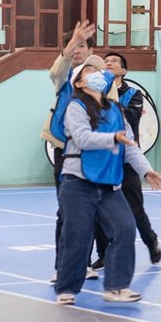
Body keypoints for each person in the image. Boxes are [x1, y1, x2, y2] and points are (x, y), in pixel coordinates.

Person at [54, 62, 161, 305]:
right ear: (79, 83)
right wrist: (113, 137)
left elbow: (130, 146)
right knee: (77, 237)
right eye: (89, 72)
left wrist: (146, 171)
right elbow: (83, 138)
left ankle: (116, 287)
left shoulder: (116, 109)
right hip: (78, 182)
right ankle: (67, 288)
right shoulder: (75, 107)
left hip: (109, 184)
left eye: (97, 71)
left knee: (125, 229)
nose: (96, 74)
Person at [42, 20, 102, 281]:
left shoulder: (101, 81)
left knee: (90, 211)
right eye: (73, 46)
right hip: (65, 152)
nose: (77, 50)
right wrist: (70, 45)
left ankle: (84, 263)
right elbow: (56, 71)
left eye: (82, 45)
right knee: (65, 212)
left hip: (92, 153)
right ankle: (62, 267)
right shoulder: (64, 80)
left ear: (91, 50)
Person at [90, 51, 161, 268]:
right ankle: (104, 253)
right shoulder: (92, 94)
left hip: (127, 160)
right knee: (99, 210)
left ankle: (151, 241)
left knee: (135, 209)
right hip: (104, 161)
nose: (109, 63)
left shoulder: (133, 94)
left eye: (114, 61)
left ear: (123, 70)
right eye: (106, 61)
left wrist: (111, 104)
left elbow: (131, 117)